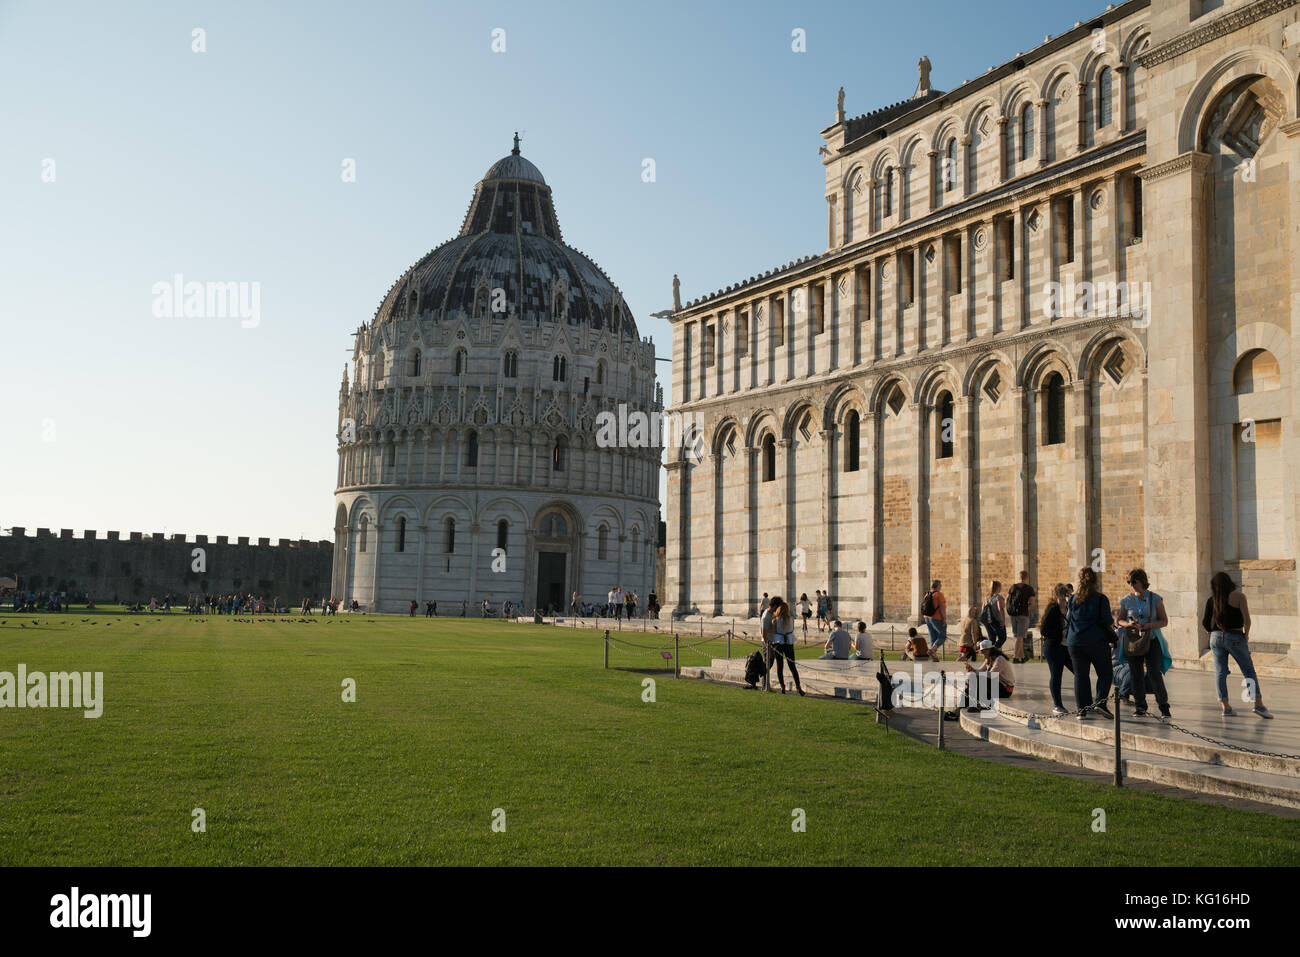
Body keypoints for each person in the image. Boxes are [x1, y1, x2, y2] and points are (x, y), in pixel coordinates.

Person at [1203, 572, 1273, 718]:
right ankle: (1258, 704)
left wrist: (1213, 633)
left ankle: (1226, 707)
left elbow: (1205, 623)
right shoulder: (1239, 597)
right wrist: (1246, 635)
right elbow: (1247, 620)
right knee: (1248, 670)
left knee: (1220, 673)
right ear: (1229, 582)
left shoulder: (1211, 600)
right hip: (1234, 636)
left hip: (1215, 638)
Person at [1115, 568, 1172, 718]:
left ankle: (1164, 706)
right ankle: (1140, 706)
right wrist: (1128, 624)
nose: (1131, 585)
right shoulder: (1126, 600)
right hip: (1134, 641)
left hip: (1152, 639)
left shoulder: (1156, 599)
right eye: (1129, 582)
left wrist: (1148, 625)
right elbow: (1119, 620)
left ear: (1142, 581)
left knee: (1154, 673)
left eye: (1134, 582)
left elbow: (1164, 621)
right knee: (1136, 674)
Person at [1066, 567, 1114, 720]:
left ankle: (1082, 709)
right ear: (1095, 581)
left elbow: (1069, 617)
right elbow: (1107, 621)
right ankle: (1100, 702)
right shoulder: (1100, 599)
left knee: (1081, 676)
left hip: (1075, 641)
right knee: (1105, 673)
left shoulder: (1073, 599)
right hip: (1096, 641)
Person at [1038, 583, 1075, 714]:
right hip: (1053, 647)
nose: (1064, 599)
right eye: (1062, 596)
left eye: (1067, 595)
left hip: (1066, 647)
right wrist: (1060, 632)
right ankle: (1057, 705)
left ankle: (1085, 703)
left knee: (1079, 672)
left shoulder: (1070, 608)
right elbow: (1044, 630)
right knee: (1056, 675)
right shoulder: (1053, 609)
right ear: (1056, 596)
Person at [767, 598, 804, 695]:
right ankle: (798, 686)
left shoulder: (775, 620)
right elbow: (792, 630)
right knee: (792, 666)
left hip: (778, 643)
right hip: (788, 642)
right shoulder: (791, 618)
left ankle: (783, 687)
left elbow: (774, 632)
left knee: (780, 666)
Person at [1006, 571, 1036, 663]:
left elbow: (1007, 599)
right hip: (1023, 615)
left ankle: (1022, 657)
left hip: (1013, 615)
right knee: (1020, 637)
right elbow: (1032, 602)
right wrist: (1027, 609)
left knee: (1019, 637)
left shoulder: (1012, 587)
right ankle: (1015, 657)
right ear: (1026, 577)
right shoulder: (1029, 588)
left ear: (1019, 577)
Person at [921, 579, 947, 660]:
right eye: (940, 585)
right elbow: (942, 607)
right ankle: (932, 650)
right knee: (942, 636)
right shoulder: (939, 594)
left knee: (933, 636)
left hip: (927, 618)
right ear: (938, 586)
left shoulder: (927, 594)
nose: (941, 587)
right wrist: (944, 619)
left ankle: (934, 656)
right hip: (937, 618)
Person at [980, 581, 1007, 648]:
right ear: (998, 588)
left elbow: (983, 608)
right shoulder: (998, 597)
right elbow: (1000, 608)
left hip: (988, 622)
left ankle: (989, 654)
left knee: (992, 639)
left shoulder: (986, 597)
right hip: (997, 620)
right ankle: (994, 650)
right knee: (1002, 637)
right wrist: (1002, 621)